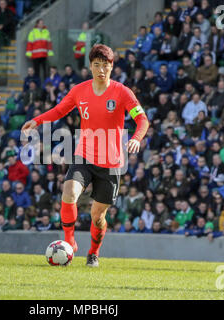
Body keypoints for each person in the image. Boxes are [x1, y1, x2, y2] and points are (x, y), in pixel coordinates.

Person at [21, 44, 149, 267]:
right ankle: (70, 242)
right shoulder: (79, 90)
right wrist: (38, 120)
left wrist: (137, 138)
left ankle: (93, 252)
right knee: (69, 192)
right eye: (96, 65)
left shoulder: (122, 92)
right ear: (90, 66)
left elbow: (142, 119)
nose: (101, 69)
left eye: (105, 65)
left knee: (97, 216)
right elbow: (60, 110)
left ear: (112, 67)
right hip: (84, 155)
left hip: (111, 163)